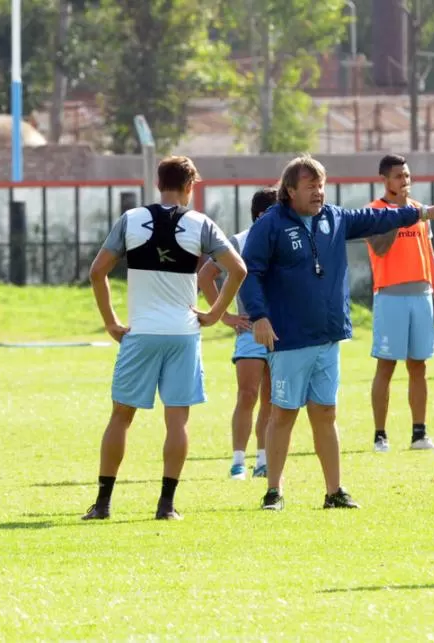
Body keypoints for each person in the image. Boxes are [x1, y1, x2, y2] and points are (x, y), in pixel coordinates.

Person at [242, 155, 434, 511]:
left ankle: (334, 491)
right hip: (288, 338)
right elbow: (251, 272)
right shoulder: (271, 225)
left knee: (326, 412)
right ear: (290, 190)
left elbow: (377, 218)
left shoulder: (335, 218)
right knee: (284, 414)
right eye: (311, 186)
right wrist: (260, 317)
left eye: (321, 185)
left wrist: (420, 213)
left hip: (328, 337)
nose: (319, 193)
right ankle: (273, 492)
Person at [83, 156, 246, 521]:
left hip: (140, 334)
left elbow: (97, 272)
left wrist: (111, 322)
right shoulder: (201, 224)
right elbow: (238, 269)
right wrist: (216, 314)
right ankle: (166, 505)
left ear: (159, 185)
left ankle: (103, 504)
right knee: (177, 422)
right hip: (183, 335)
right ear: (190, 187)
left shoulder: (131, 220)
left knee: (120, 418)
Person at [365, 154, 434, 453]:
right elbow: (381, 250)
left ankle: (419, 435)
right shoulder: (374, 212)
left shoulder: (419, 211)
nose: (405, 181)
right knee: (386, 366)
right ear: (384, 180)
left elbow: (429, 255)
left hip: (421, 296)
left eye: (407, 175)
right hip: (390, 297)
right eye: (398, 176)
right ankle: (380, 435)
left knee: (418, 366)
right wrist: (399, 216)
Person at [198, 187, 278, 480]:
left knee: (273, 399)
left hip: (284, 332)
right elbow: (206, 275)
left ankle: (264, 459)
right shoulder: (240, 242)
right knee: (247, 394)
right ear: (261, 214)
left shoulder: (288, 237)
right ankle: (238, 461)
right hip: (250, 331)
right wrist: (226, 315)